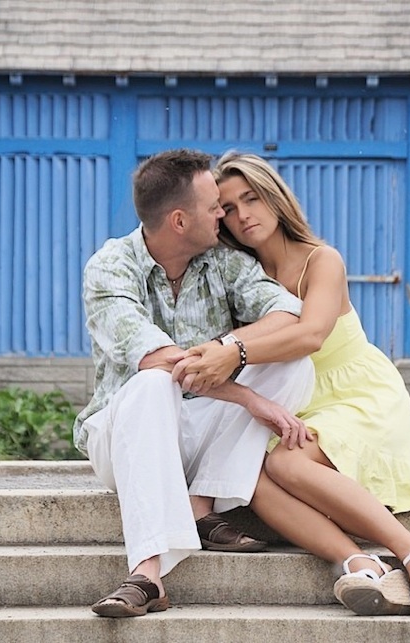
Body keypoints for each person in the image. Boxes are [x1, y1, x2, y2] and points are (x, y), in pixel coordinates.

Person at [173, 151, 410, 617]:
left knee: (284, 464)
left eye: (252, 198)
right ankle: (357, 559)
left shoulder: (321, 260)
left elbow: (310, 335)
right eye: (228, 207)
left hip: (356, 397)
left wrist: (235, 350)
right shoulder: (239, 278)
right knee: (251, 471)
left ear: (276, 198)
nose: (243, 214)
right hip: (291, 400)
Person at [73, 149, 317, 618]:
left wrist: (231, 347)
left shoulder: (224, 263)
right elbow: (158, 360)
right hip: (125, 435)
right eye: (214, 208)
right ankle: (147, 574)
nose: (224, 215)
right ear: (180, 221)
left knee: (293, 365)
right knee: (151, 384)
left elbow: (288, 312)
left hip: (200, 430)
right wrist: (248, 397)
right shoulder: (110, 267)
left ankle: (200, 503)